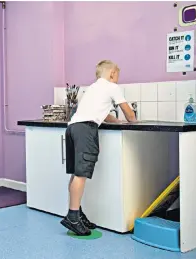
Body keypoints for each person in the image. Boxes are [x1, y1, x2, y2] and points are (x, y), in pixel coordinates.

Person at [60, 60, 137, 236]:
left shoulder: (93, 88)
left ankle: (77, 213)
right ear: (112, 74)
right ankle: (72, 217)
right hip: (86, 129)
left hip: (72, 129)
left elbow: (101, 112)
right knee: (81, 174)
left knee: (76, 173)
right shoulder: (112, 87)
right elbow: (129, 112)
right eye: (117, 75)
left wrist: (116, 121)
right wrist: (133, 120)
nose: (117, 78)